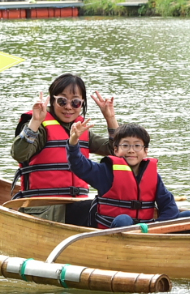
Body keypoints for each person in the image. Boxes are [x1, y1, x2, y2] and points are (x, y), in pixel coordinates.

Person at [11, 73, 119, 225]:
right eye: (62, 101)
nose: (68, 107)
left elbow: (116, 150)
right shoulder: (39, 127)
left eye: (75, 102)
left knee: (114, 206)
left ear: (82, 104)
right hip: (43, 210)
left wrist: (110, 118)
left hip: (76, 205)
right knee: (101, 208)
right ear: (52, 100)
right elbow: (19, 154)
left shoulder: (80, 130)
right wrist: (35, 122)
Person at [67, 121, 190, 230]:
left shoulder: (153, 177)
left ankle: (176, 248)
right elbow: (79, 165)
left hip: (147, 232)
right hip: (113, 231)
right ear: (116, 150)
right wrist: (73, 142)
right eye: (125, 145)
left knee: (189, 216)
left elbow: (169, 206)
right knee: (124, 220)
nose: (131, 150)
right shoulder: (105, 171)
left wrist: (158, 227)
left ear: (145, 151)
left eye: (137, 145)